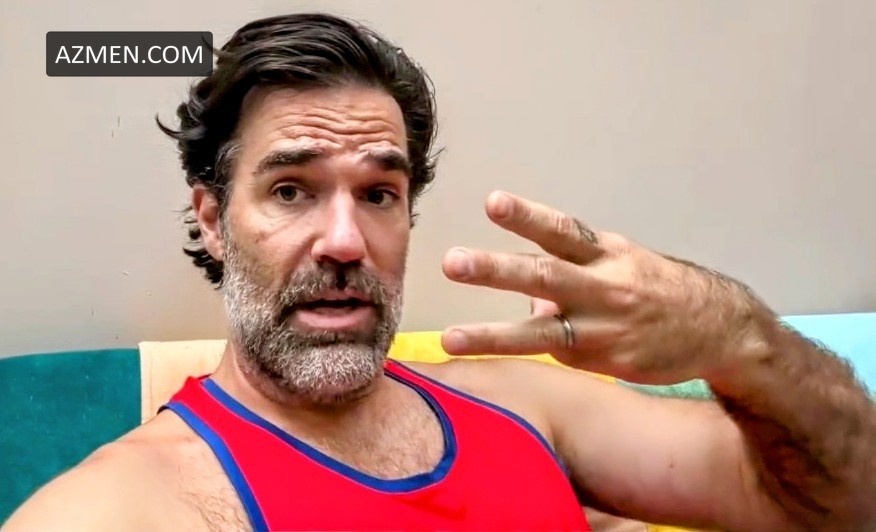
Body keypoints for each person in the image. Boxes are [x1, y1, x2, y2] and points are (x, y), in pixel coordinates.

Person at [4, 12, 875, 532]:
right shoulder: (138, 502)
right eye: (291, 189)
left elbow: (844, 501)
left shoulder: (524, 406)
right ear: (213, 220)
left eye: (379, 193)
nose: (345, 241)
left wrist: (738, 337)